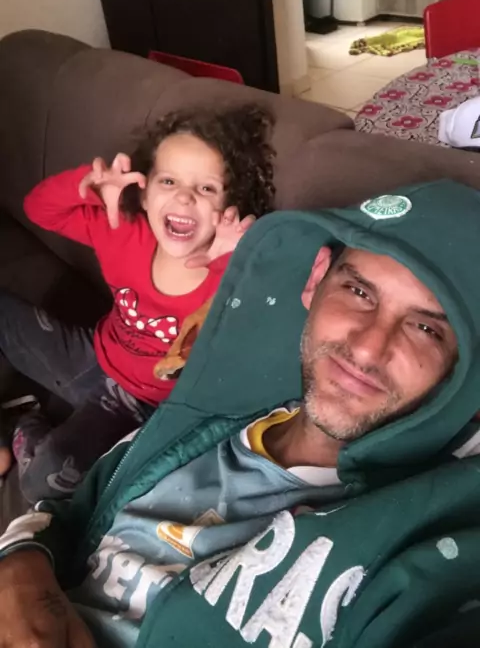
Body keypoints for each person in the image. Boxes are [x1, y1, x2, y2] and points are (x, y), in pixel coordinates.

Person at [1, 179, 480, 648]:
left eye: (425, 328)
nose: (369, 347)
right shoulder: (199, 423)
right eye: (358, 292)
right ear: (316, 279)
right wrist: (20, 561)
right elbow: (71, 512)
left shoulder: (423, 533)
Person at [0, 104, 275, 502]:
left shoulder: (234, 270)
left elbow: (244, 338)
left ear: (229, 208)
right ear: (144, 193)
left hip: (139, 406)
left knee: (42, 481)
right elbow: (38, 209)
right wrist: (89, 187)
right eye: (168, 181)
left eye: (206, 188)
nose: (183, 196)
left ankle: (26, 428)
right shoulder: (123, 228)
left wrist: (226, 262)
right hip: (93, 358)